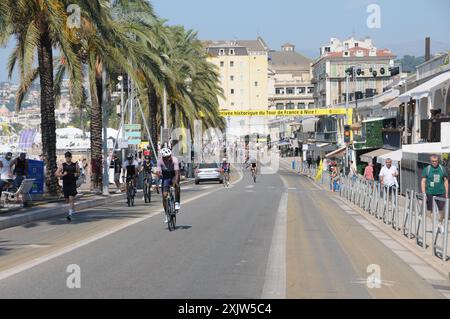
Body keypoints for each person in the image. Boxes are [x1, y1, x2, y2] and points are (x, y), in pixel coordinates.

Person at [421, 154, 449, 233]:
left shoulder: (442, 169)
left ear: (438, 161)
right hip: (430, 193)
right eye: (432, 161)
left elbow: (446, 180)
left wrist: (446, 193)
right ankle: (436, 224)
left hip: (441, 192)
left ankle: (440, 223)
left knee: (441, 210)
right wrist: (424, 193)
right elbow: (423, 181)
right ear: (430, 161)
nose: (434, 162)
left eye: (436, 161)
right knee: (430, 211)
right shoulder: (427, 169)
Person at [156, 148, 180, 223]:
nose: (169, 158)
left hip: (173, 174)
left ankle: (177, 202)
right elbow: (158, 174)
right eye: (167, 157)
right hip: (165, 176)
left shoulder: (174, 159)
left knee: (177, 186)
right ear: (163, 157)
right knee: (164, 195)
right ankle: (166, 214)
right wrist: (157, 184)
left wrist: (175, 182)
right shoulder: (160, 161)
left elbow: (177, 173)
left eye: (169, 156)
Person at [55, 151, 80, 221]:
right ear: (65, 158)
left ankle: (70, 214)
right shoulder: (62, 165)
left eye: (69, 157)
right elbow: (56, 174)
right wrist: (63, 175)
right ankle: (72, 208)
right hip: (65, 184)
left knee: (71, 199)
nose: (68, 159)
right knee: (67, 200)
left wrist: (77, 174)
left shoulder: (75, 165)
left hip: (72, 183)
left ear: (71, 157)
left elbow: (79, 172)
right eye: (66, 158)